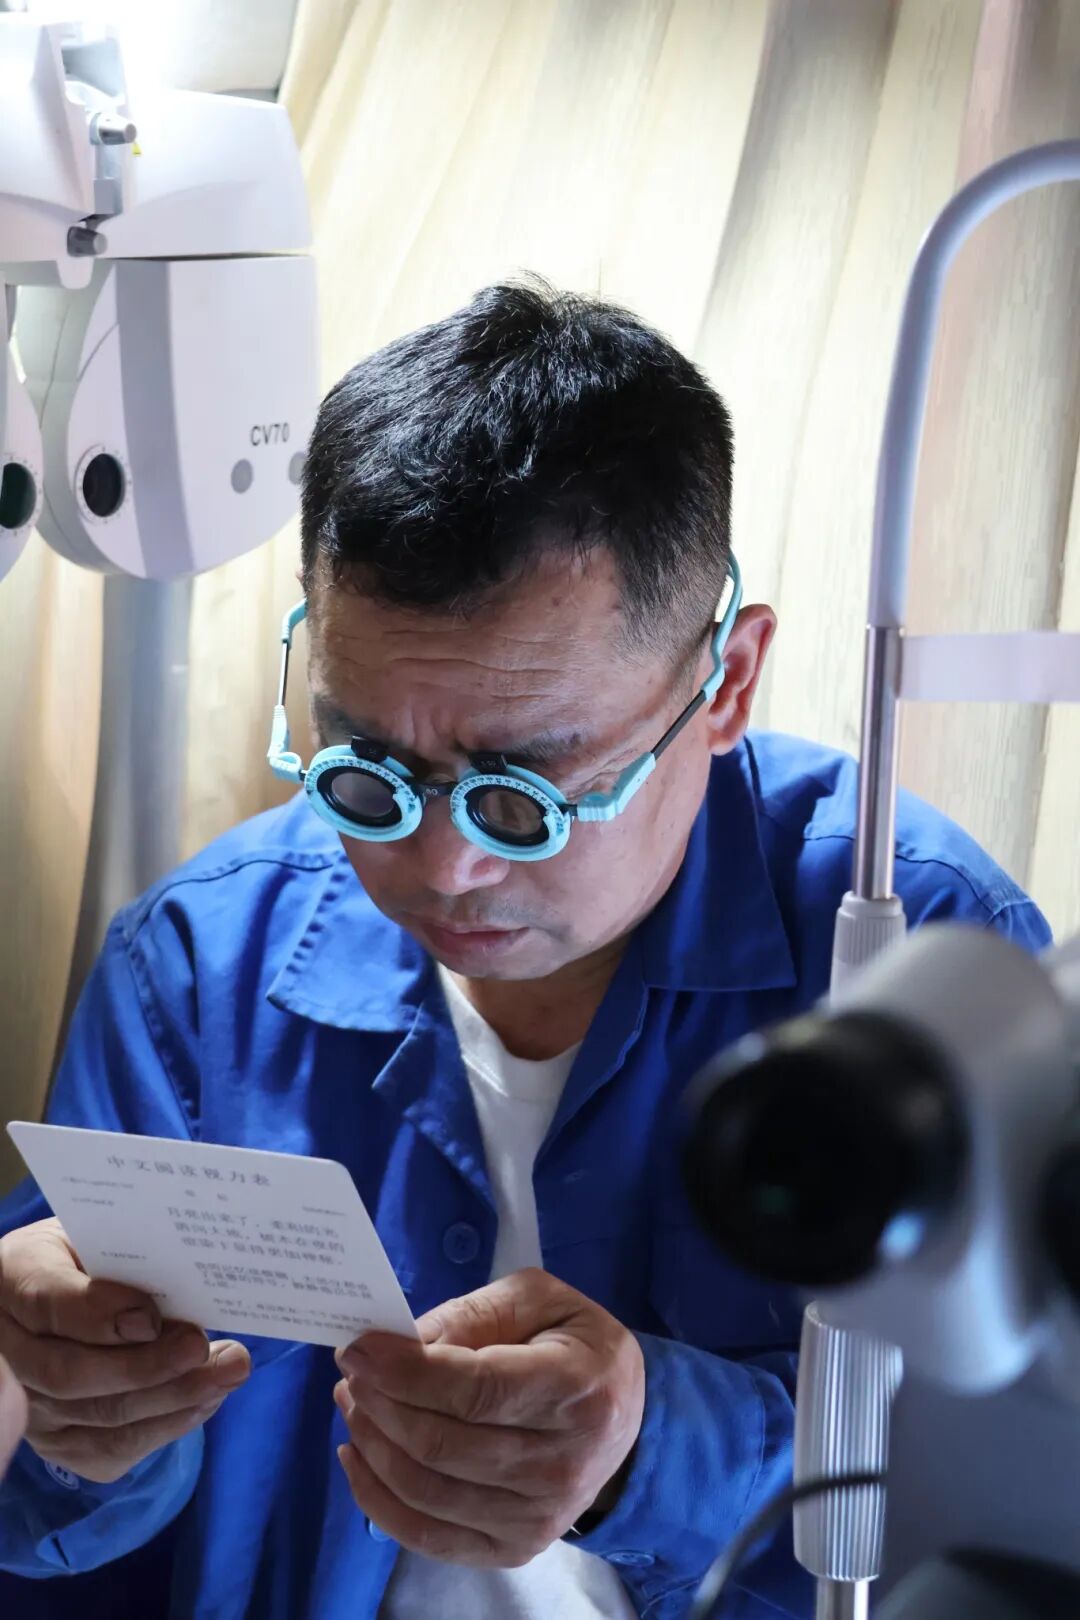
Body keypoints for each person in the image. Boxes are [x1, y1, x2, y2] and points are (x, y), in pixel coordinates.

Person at [0, 283, 1049, 1620]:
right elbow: (63, 1535)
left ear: (725, 684)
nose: (444, 866)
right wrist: (68, 1424)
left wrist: (660, 1452)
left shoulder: (925, 960)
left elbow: (1032, 1499)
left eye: (522, 793)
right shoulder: (200, 965)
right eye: (371, 768)